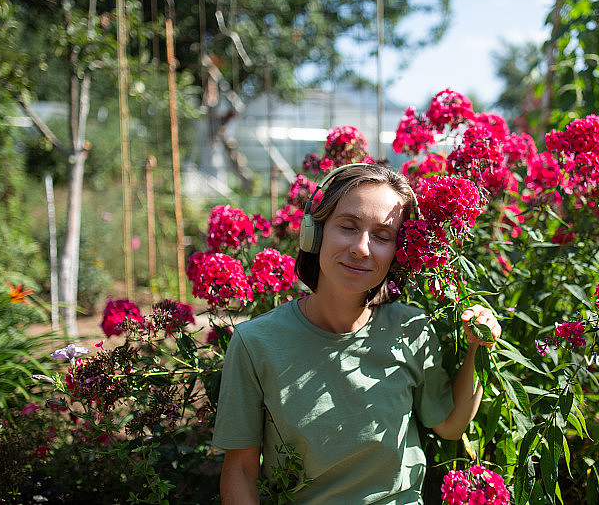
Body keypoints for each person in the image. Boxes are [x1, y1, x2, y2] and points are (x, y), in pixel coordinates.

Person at [214, 163, 500, 504]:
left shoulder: (411, 329)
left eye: (382, 236)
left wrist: (479, 347)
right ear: (314, 232)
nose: (361, 248)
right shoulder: (255, 342)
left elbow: (451, 425)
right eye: (348, 227)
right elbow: (240, 471)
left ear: (398, 252)